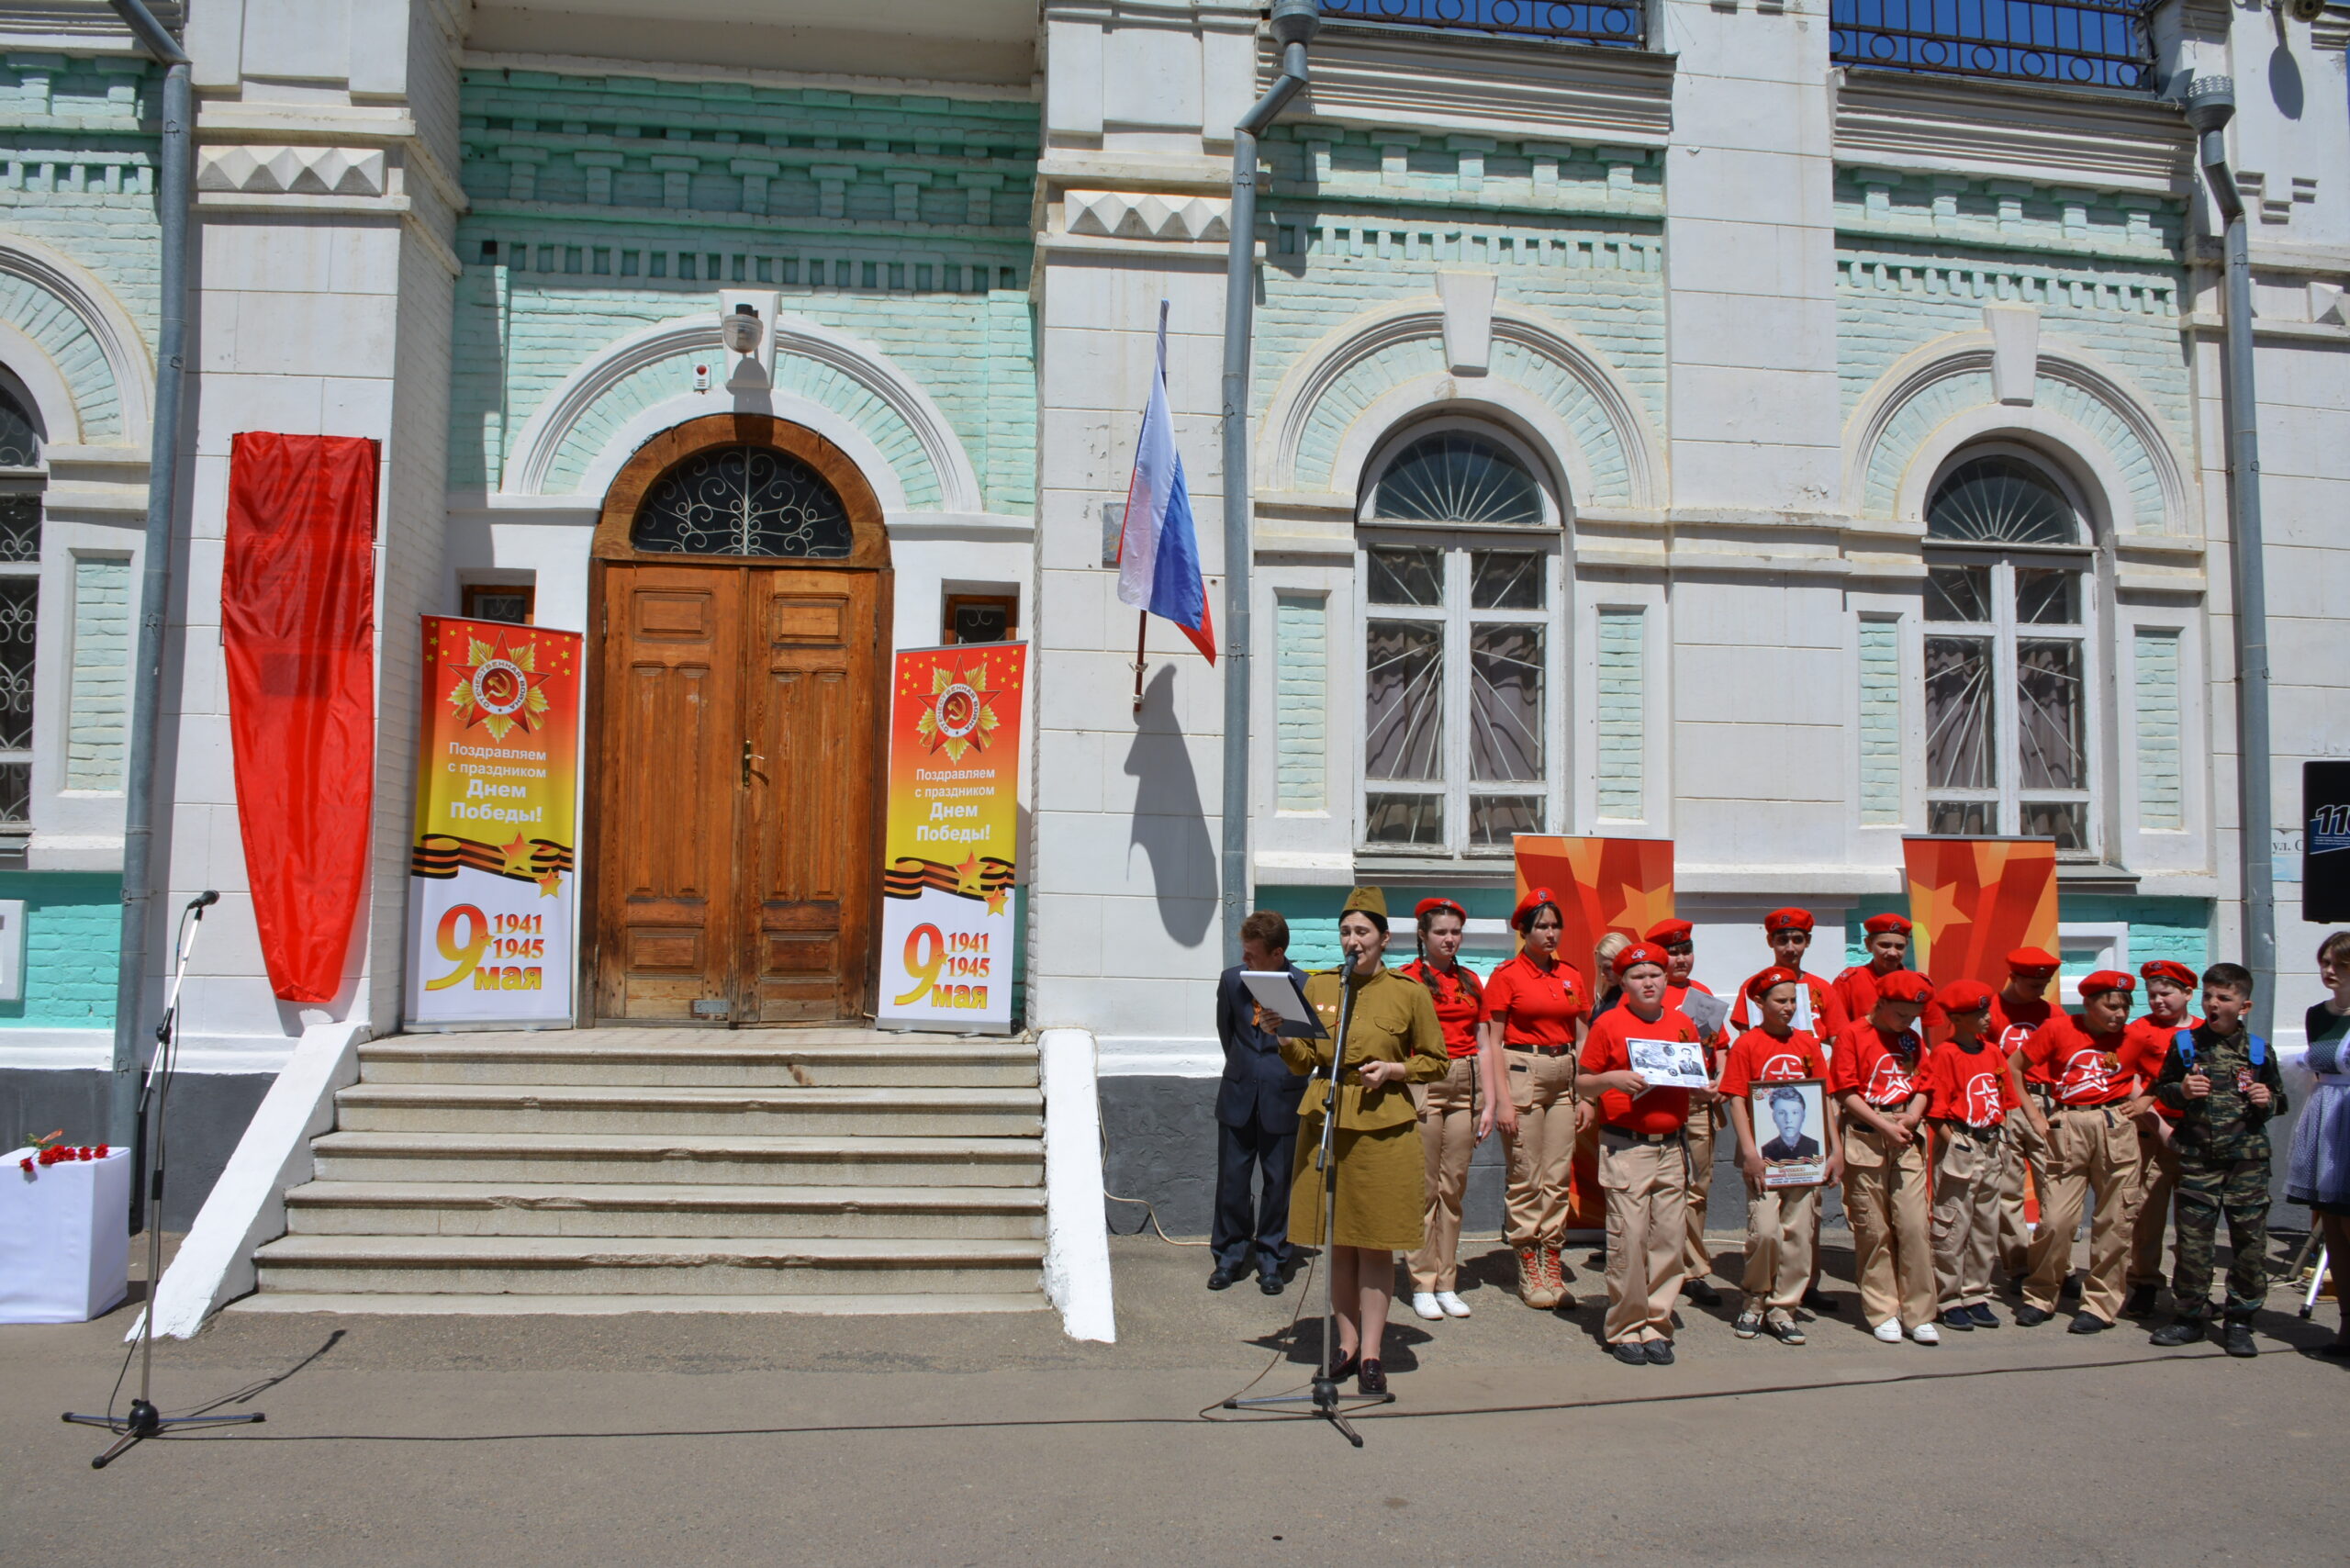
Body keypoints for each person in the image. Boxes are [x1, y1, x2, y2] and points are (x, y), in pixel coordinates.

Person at [1284, 887, 1448, 1396]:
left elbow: (1438, 1061)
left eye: (1362, 932)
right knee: (1339, 1240)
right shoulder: (1318, 986)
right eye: (1346, 932)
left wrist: (1397, 1069)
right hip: (1328, 1119)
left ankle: (1373, 1352)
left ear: (1383, 939)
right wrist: (1280, 1034)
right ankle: (1345, 1345)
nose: (1352, 940)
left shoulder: (1408, 992)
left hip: (1383, 1124)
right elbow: (1301, 1060)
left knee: (1374, 1242)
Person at [1578, 941, 1709, 1365]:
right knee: (1628, 1241)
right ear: (1623, 982)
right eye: (1638, 976)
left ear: (1665, 977)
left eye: (1654, 974)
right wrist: (1611, 1078)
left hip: (1671, 1147)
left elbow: (1694, 1076)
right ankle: (1624, 1328)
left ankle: (1657, 1322)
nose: (1648, 982)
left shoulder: (1683, 1022)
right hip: (1625, 1147)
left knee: (1668, 1240)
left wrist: (1708, 1088)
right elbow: (1582, 1083)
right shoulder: (1609, 1024)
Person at [2149, 963, 2287, 1358]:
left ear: (2244, 1005)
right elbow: (2164, 1090)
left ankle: (2240, 1319)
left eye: (2223, 998)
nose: (2213, 1003)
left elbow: (2279, 1100)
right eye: (2209, 995)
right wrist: (2183, 1091)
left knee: (2248, 1242)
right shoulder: (2187, 1045)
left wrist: (2268, 1100)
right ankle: (2189, 1316)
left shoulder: (2260, 1050)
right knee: (2193, 1241)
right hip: (2198, 1157)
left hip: (2247, 1160)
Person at [2008, 970, 2145, 1333]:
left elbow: (2167, 1071)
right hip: (2068, 1124)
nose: (2119, 1014)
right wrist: (2035, 1115)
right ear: (2088, 1003)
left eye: (2124, 1006)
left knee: (2114, 1221)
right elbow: (2014, 1067)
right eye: (2110, 1005)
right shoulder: (2058, 1029)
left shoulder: (2135, 1036)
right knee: (2056, 1221)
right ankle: (2040, 1294)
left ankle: (2100, 1304)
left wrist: (2146, 1101)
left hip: (2115, 1126)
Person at [1483, 887, 1593, 1310]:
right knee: (1526, 1173)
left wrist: (1586, 1095)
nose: (1550, 934)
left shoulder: (1571, 975)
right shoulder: (1507, 975)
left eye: (1554, 926)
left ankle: (1552, 1259)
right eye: (1541, 927)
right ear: (1524, 931)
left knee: (1557, 1175)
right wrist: (1503, 1102)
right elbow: (1493, 1040)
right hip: (1522, 1074)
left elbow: (1582, 1036)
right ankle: (1528, 1259)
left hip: (1563, 1077)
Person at [1719, 968, 1841, 1345]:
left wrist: (1834, 1150)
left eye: (1792, 1001)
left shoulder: (1807, 1045)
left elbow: (1823, 1098)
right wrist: (1750, 1152)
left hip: (1806, 1158)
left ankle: (1784, 1307)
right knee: (1767, 1232)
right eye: (1779, 1001)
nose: (1787, 1008)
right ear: (1760, 1003)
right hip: (1763, 1158)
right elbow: (1737, 1098)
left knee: (1800, 1234)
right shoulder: (1747, 1045)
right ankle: (1754, 1300)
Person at [1400, 897, 1494, 1321]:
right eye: (1441, 931)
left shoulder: (1472, 981)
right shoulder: (1408, 980)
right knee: (1423, 1189)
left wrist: (1489, 1100)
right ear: (1423, 935)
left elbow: (1485, 1042)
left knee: (1453, 1187)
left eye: (1455, 931)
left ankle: (1447, 1281)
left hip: (1466, 1084)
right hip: (1426, 1082)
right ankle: (1421, 1281)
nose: (1450, 939)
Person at [1833, 969, 1937, 1343]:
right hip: (1867, 1132)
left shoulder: (1910, 1039)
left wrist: (1914, 1113)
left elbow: (1924, 1084)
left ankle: (1919, 1311)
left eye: (1913, 1017)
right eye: (1901, 1014)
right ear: (1882, 1003)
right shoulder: (1853, 1035)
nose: (1907, 1023)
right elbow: (1844, 1091)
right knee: (1873, 1227)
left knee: (1912, 1224)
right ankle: (1882, 1308)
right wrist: (1882, 1125)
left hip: (1905, 1131)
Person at [1210, 911, 1308, 1294]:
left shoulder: (1304, 985)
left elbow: (1306, 1044)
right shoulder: (1232, 981)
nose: (1245, 959)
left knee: (1278, 1182)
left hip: (1283, 1096)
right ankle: (1230, 1256)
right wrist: (1243, 1070)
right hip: (1238, 1092)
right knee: (1233, 1181)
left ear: (1277, 952)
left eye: (1253, 954)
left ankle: (1272, 1257)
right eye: (1244, 952)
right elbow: (1226, 1033)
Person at [1921, 980, 2020, 1333]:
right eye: (1978, 1013)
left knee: (1985, 1224)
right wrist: (1955, 1142)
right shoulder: (1945, 1054)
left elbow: (2003, 1096)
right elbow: (1935, 1110)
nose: (1986, 1018)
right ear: (1957, 1018)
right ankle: (1947, 1297)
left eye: (1987, 1011)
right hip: (1960, 1143)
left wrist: (2001, 1136)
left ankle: (1976, 1292)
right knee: (1952, 1223)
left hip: (1991, 1143)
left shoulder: (1992, 1052)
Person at [2117, 958, 2201, 1316]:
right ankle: (2145, 1282)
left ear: (2187, 993)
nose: (2158, 1001)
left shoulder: (2203, 1031)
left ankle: (2192, 1287)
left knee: (2195, 1217)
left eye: (2165, 994)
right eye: (2152, 995)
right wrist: (2162, 1130)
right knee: (2147, 1213)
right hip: (2152, 1132)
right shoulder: (2138, 1031)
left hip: (2196, 1133)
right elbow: (2132, 1084)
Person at [1649, 917, 1726, 1308]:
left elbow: (1720, 1045)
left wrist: (1721, 1080)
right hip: (1658, 1101)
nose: (1681, 958)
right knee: (1659, 1188)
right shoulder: (1650, 994)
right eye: (1673, 952)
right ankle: (1660, 1262)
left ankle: (1693, 1268)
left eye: (1685, 950)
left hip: (1697, 1103)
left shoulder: (1704, 994)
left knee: (1697, 1186)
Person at [2285, 930, 2350, 1357]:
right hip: (2326, 1118)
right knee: (2334, 1231)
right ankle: (2347, 1327)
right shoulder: (2317, 1014)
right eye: (2324, 962)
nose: (2327, 971)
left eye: (2338, 964)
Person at [1985, 947, 2061, 1283]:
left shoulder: (2054, 1014)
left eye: (2045, 983)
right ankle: (2018, 1265)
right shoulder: (1989, 1011)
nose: (2041, 990)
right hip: (2005, 1105)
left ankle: (2057, 1264)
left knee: (2055, 1187)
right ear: (2013, 978)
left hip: (2046, 1104)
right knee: (2008, 1189)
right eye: (2034, 984)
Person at [1729, 908, 1851, 1043]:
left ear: (1808, 941)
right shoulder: (1754, 985)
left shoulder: (1823, 988)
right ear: (1770, 941)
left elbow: (1839, 1040)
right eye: (1783, 940)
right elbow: (1745, 1037)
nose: (1790, 948)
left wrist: (1826, 1064)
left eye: (1797, 940)